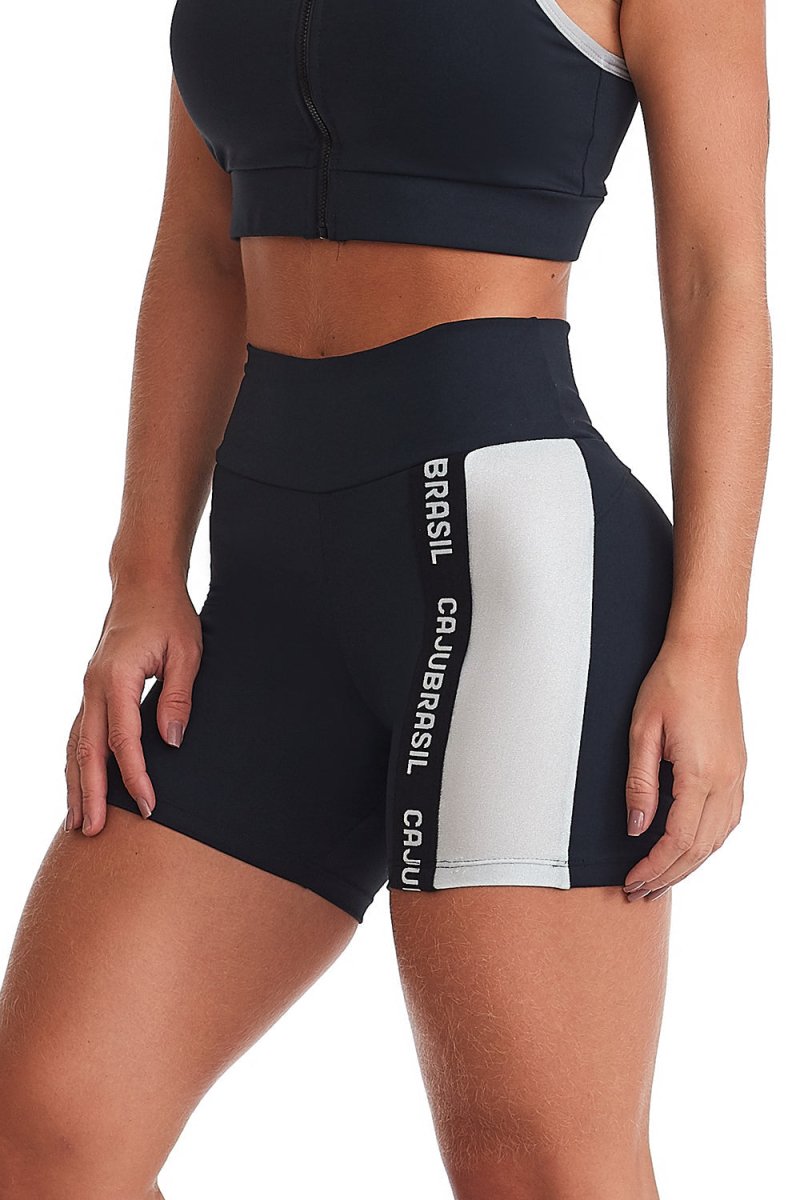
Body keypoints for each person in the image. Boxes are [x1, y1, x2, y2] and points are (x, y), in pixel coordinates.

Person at [0, 0, 770, 1196]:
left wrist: (708, 639)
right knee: (48, 1129)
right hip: (266, 593)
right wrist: (143, 571)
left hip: (517, 585)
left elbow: (716, 280)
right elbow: (198, 247)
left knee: (535, 1171)